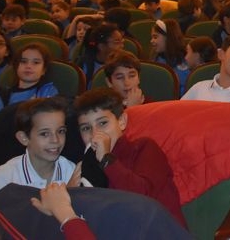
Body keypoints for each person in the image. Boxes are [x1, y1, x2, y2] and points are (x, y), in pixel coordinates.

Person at [74, 88, 186, 227]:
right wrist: (72, 192)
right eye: (86, 128)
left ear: (121, 121)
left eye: (103, 123)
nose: (95, 134)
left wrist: (106, 159)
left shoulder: (143, 148)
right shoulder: (87, 164)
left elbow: (141, 198)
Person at [0, 97, 77, 218]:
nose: (55, 140)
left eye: (61, 131)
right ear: (24, 138)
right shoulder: (6, 175)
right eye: (44, 133)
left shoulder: (71, 171)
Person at [0, 43, 59, 116]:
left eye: (36, 62)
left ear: (43, 70)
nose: (28, 66)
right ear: (17, 67)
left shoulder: (48, 92)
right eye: (23, 61)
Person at [149, 19, 188, 97]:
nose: (151, 41)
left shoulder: (185, 60)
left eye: (155, 37)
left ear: (168, 38)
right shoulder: (156, 58)